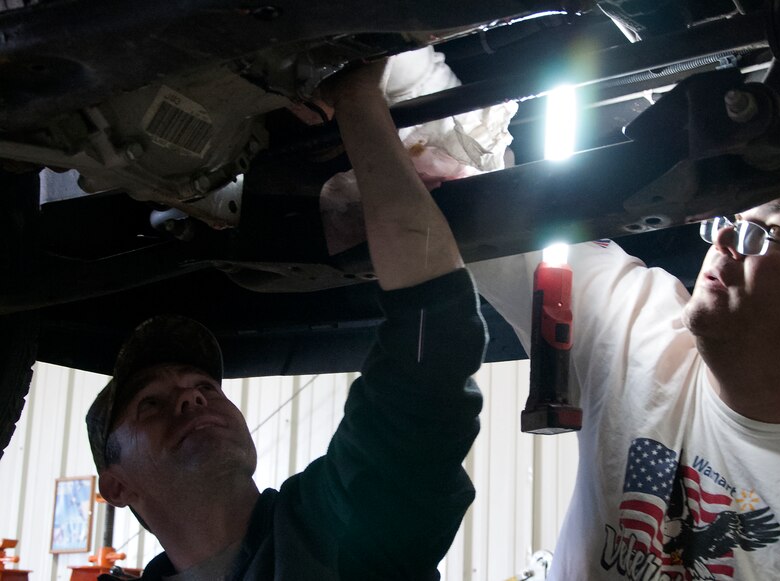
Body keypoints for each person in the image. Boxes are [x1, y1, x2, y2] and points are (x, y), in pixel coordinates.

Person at [85, 62, 487, 581]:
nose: (192, 398)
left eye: (205, 386)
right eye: (151, 404)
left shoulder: (343, 524)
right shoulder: (328, 552)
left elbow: (433, 343)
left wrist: (358, 96)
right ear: (117, 486)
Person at [469, 160, 780, 580]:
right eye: (733, 218)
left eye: (767, 233)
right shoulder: (635, 329)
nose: (724, 238)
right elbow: (473, 191)